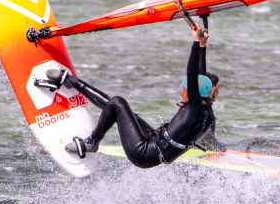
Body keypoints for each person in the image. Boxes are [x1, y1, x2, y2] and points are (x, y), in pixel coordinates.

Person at [43, 23, 218, 168]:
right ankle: (70, 80)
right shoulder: (205, 110)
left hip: (144, 152)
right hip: (155, 144)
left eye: (184, 88)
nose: (181, 91)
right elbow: (200, 78)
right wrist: (203, 45)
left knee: (117, 103)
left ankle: (92, 142)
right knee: (122, 112)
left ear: (192, 92)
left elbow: (192, 73)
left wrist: (195, 43)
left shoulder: (194, 107)